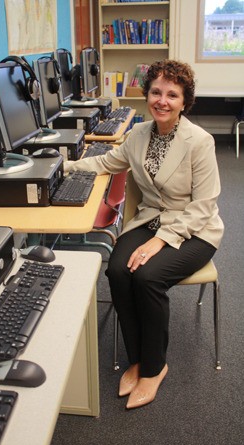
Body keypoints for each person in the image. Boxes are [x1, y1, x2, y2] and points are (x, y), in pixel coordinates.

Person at [64, 59, 224, 410]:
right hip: (151, 219)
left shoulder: (200, 141)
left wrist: (161, 240)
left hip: (195, 229)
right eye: (156, 92)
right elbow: (106, 163)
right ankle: (137, 357)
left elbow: (205, 204)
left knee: (148, 277)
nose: (162, 100)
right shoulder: (138, 134)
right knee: (118, 270)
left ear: (185, 101)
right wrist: (62, 167)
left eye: (172, 94)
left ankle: (154, 367)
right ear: (146, 95)